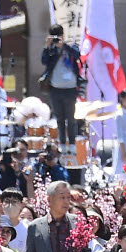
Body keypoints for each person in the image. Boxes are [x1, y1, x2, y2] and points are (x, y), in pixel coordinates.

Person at [41, 23, 82, 154]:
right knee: (59, 118)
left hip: (70, 88)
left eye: (59, 36)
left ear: (63, 36)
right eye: (55, 36)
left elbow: (77, 55)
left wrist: (63, 45)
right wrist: (46, 47)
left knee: (71, 118)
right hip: (55, 88)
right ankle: (63, 144)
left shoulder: (70, 47)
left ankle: (72, 144)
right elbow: (44, 61)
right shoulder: (51, 50)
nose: (57, 39)